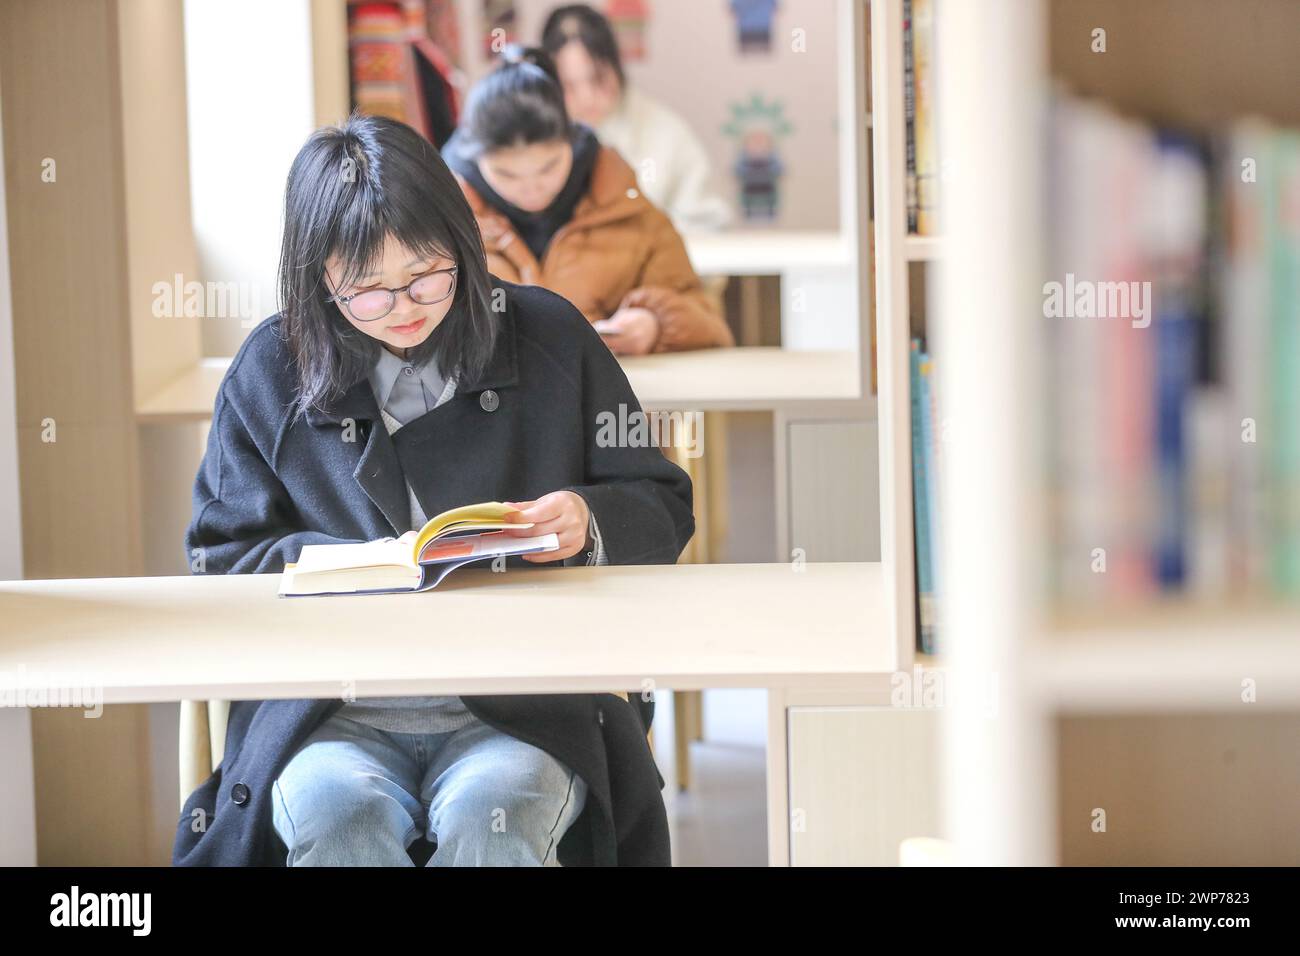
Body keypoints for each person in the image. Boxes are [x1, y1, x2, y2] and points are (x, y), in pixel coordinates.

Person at [173, 113, 689, 867]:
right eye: (366, 292)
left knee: (495, 813)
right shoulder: (271, 369)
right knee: (339, 818)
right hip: (329, 709)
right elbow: (221, 557)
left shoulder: (550, 337)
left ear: (462, 242)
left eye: (424, 275)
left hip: (523, 701)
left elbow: (662, 502)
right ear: (317, 279)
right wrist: (337, 567)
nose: (405, 307)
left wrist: (589, 518)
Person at [440, 45, 734, 355]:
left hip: (608, 403)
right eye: (506, 174)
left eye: (548, 167)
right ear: (473, 161)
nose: (531, 187)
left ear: (572, 142)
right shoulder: (443, 224)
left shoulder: (626, 207)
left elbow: (708, 321)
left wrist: (654, 324)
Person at [541, 4, 731, 232]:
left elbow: (708, 226)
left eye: (598, 79)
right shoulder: (535, 138)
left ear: (617, 65)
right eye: (569, 85)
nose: (587, 97)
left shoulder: (668, 134)